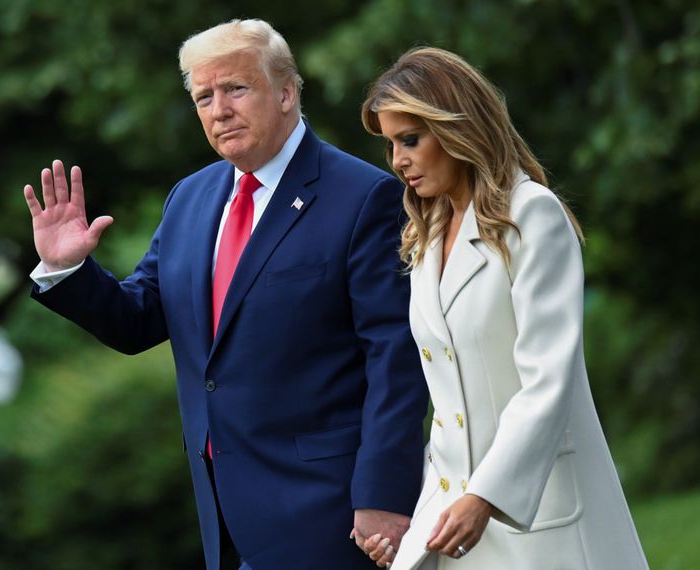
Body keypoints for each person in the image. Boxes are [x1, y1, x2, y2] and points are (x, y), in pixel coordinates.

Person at [22, 19, 428, 570]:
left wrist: (382, 496)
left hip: (333, 514)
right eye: (203, 96)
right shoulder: (189, 198)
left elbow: (396, 358)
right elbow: (138, 320)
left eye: (236, 89)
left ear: (285, 92)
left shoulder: (364, 196)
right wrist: (67, 270)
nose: (219, 109)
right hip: (224, 514)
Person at [358, 47, 648, 569]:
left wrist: (485, 496)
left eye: (410, 140)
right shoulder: (425, 235)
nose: (398, 162)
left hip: (537, 518)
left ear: (456, 127)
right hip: (454, 523)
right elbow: (450, 412)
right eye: (390, 145)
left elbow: (548, 380)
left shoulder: (533, 214)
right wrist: (418, 522)